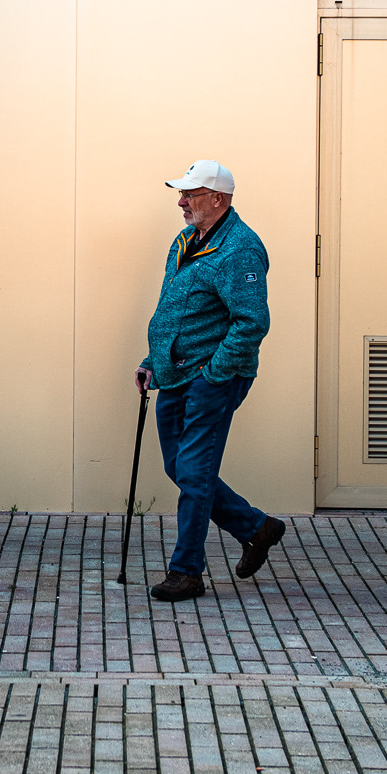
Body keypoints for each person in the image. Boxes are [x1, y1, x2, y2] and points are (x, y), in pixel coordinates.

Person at [135, 160, 287, 602]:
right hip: (174, 374)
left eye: (190, 195)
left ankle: (186, 571)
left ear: (217, 199)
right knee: (179, 467)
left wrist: (213, 375)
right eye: (181, 194)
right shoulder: (186, 241)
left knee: (195, 473)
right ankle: (257, 528)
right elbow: (172, 310)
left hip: (212, 379)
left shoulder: (240, 250)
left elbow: (252, 322)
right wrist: (152, 361)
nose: (181, 203)